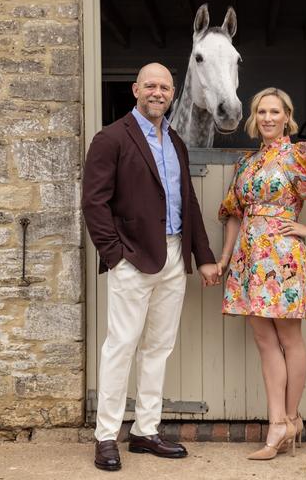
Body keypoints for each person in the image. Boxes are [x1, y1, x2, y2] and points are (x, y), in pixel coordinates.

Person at [82, 62, 220, 471]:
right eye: (151, 86)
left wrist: (205, 256)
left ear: (172, 93)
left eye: (165, 87)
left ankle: (145, 430)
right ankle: (106, 436)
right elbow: (94, 203)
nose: (158, 92)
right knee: (120, 346)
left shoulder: (175, 141)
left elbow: (188, 203)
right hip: (133, 258)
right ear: (136, 89)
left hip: (174, 257)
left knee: (158, 348)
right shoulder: (110, 138)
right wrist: (115, 254)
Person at [216, 87, 306, 460]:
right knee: (264, 340)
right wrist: (226, 259)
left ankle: (290, 418)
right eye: (261, 112)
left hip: (283, 257)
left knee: (289, 339)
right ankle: (278, 421)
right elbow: (232, 212)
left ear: (287, 116)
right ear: (254, 117)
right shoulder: (246, 163)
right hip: (249, 258)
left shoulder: (300, 154)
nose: (268, 118)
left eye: (275, 112)